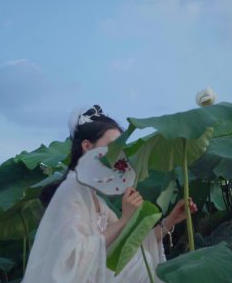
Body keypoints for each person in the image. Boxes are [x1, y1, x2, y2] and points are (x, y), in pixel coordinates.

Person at [22, 105, 198, 283]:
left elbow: (128, 247)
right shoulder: (70, 191)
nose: (117, 156)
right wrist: (124, 219)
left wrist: (170, 220)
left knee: (139, 264)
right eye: (112, 147)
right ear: (87, 147)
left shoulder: (94, 198)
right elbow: (72, 259)